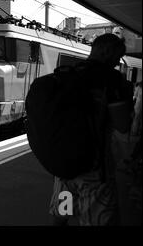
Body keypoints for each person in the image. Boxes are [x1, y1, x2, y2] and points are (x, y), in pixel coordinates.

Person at [49, 34, 132, 226]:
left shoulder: (69, 73)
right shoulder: (111, 79)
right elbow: (123, 125)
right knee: (96, 219)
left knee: (62, 214)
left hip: (65, 168)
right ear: (107, 51)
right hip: (93, 171)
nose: (116, 62)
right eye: (117, 57)